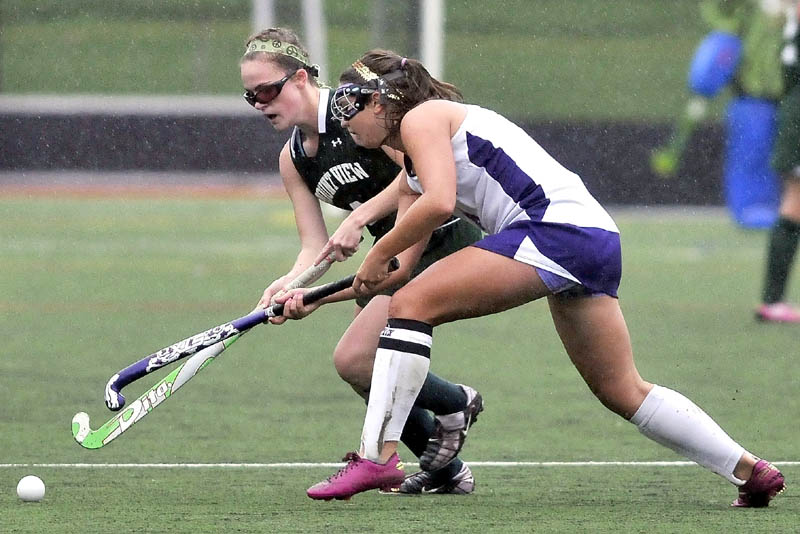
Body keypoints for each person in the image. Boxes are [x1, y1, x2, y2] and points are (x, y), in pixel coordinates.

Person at [302, 49, 786, 506]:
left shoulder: (422, 117)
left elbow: (440, 204)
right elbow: (398, 271)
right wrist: (314, 298)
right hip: (591, 241)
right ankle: (749, 470)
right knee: (622, 389)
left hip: (553, 231)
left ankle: (378, 457)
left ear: (384, 99)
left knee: (412, 306)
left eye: (350, 103)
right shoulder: (413, 168)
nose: (344, 118)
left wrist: (376, 244)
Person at [240, 28, 486, 494]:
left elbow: (416, 174)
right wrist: (292, 284)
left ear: (299, 79)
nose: (260, 103)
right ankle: (446, 470)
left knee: (357, 356)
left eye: (267, 90)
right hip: (387, 254)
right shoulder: (293, 158)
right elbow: (313, 246)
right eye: (250, 96)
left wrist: (376, 235)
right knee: (358, 365)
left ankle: (456, 405)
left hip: (438, 237)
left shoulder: (359, 109)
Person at [651, 0, 786, 229]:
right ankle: (753, 207)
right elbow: (719, 19)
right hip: (753, 101)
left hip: (788, 100)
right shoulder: (747, 13)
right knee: (753, 153)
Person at [757, 0, 800, 322]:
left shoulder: (788, 24)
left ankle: (773, 301)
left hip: (793, 117)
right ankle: (772, 301)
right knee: (794, 203)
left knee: (794, 203)